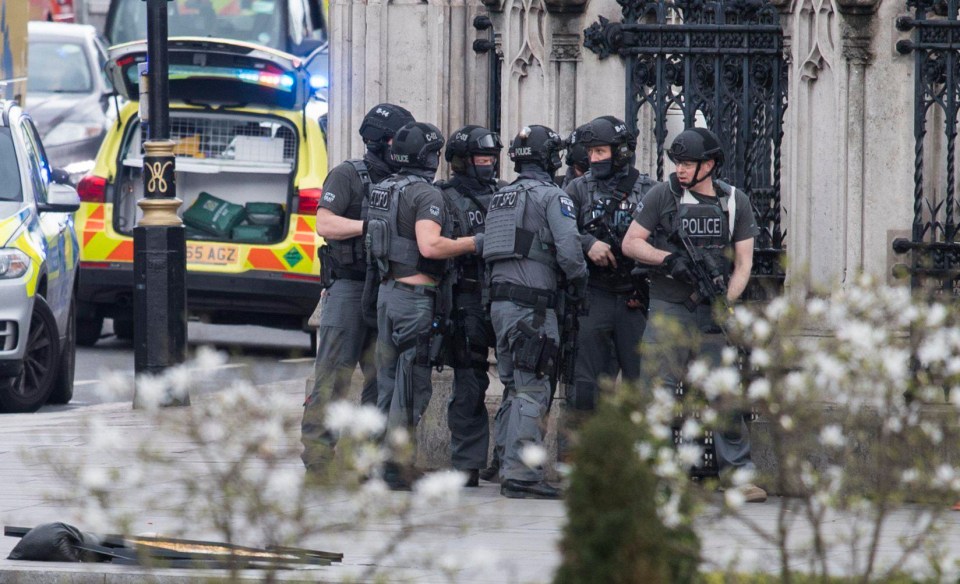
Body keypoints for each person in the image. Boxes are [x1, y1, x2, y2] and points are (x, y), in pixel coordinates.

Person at [621, 127, 767, 503]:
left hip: (712, 312)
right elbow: (631, 243)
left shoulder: (735, 201)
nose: (681, 170)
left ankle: (737, 475)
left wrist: (725, 303)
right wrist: (668, 259)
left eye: (688, 164)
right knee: (660, 394)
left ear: (710, 165)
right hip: (669, 308)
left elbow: (744, 263)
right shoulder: (662, 195)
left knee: (724, 396)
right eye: (678, 163)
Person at [366, 121, 481, 490]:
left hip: (386, 294)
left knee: (386, 386)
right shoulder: (425, 194)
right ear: (429, 157)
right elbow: (430, 247)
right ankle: (397, 468)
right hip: (415, 301)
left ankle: (378, 461)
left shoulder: (383, 188)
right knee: (413, 387)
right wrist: (474, 242)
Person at [300, 103, 414, 474]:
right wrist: (366, 228)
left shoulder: (408, 180)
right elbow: (325, 224)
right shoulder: (348, 174)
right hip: (349, 286)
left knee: (381, 377)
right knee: (333, 374)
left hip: (388, 285)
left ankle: (367, 456)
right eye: (400, 138)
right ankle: (318, 455)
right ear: (383, 141)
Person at [483, 125, 588, 499]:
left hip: (500, 305)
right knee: (533, 386)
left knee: (513, 385)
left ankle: (506, 462)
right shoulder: (552, 197)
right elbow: (570, 251)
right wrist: (580, 280)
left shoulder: (500, 197)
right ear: (549, 158)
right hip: (534, 308)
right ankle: (522, 473)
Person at [562, 116, 657, 452]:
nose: (594, 158)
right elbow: (559, 230)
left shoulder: (648, 189)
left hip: (634, 297)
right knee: (585, 385)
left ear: (620, 152)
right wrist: (588, 243)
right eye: (590, 152)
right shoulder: (576, 188)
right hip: (594, 294)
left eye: (600, 150)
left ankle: (639, 460)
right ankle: (578, 458)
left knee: (640, 384)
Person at [436, 125, 503, 487]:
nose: (489, 165)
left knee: (519, 377)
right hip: (467, 297)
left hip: (506, 296)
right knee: (470, 381)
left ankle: (506, 457)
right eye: (482, 159)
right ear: (462, 162)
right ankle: (467, 462)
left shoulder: (507, 194)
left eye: (492, 159)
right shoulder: (443, 197)